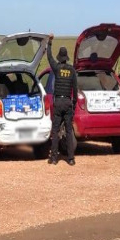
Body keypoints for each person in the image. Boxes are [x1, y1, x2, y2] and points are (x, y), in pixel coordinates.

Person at [47, 34, 78, 166]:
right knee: (69, 131)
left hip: (58, 102)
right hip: (68, 102)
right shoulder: (72, 70)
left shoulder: (56, 68)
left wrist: (49, 43)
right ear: (67, 58)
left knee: (55, 130)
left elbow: (49, 57)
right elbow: (75, 89)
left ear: (60, 57)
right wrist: (74, 103)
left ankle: (54, 158)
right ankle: (71, 159)